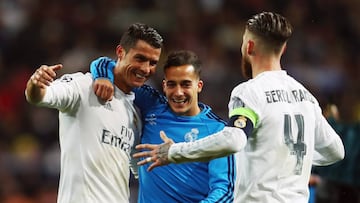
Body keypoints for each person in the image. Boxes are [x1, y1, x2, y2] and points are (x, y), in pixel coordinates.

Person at [133, 11, 345, 203]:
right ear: (283, 49)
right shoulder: (305, 96)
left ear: (249, 46)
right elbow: (336, 151)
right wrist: (289, 156)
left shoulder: (249, 92)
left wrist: (174, 151)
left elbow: (234, 139)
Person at [24, 23, 163, 203]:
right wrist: (36, 84)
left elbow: (141, 170)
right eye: (140, 58)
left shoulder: (134, 115)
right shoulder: (83, 86)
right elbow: (40, 97)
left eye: (152, 63)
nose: (146, 69)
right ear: (120, 52)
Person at [90, 50, 235, 202]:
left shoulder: (218, 130)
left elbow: (224, 192)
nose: (178, 92)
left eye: (185, 84)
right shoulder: (153, 105)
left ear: (198, 86)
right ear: (164, 86)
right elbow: (109, 65)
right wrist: (103, 77)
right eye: (172, 84)